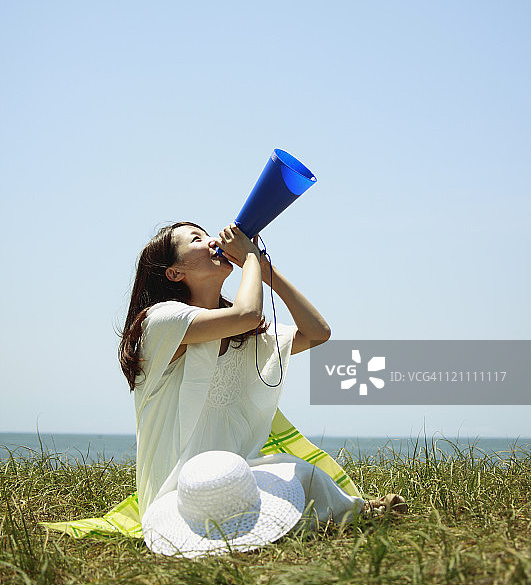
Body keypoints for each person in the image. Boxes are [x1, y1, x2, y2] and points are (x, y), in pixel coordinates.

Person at [119, 221, 406, 555]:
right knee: (292, 490)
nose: (212, 240)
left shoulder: (244, 335)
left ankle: (356, 514)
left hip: (238, 480)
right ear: (174, 273)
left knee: (301, 473)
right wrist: (250, 260)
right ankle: (347, 517)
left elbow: (317, 332)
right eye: (197, 239)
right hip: (180, 495)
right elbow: (248, 313)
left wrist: (266, 269)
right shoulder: (160, 320)